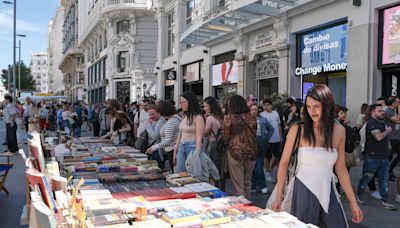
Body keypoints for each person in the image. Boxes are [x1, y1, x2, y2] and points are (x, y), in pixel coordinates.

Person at [271, 84, 363, 227]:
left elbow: (341, 169)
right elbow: (283, 163)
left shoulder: (339, 131)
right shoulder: (297, 129)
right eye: (308, 107)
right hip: (303, 191)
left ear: (327, 106)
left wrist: (353, 203)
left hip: (329, 189)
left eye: (316, 106)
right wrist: (278, 196)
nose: (312, 111)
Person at [357, 104, 397, 210]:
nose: (382, 112)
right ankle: (359, 195)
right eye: (379, 111)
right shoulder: (371, 123)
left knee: (383, 180)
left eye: (382, 111)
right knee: (367, 177)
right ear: (372, 112)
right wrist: (387, 131)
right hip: (372, 157)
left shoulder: (381, 123)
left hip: (383, 157)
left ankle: (385, 202)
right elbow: (378, 137)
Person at [224, 95, 257, 200]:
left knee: (238, 185)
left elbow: (226, 137)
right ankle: (249, 205)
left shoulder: (229, 118)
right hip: (251, 152)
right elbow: (254, 133)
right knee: (247, 182)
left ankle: (243, 209)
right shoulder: (251, 117)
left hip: (235, 152)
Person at [173, 91, 205, 173]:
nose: (181, 105)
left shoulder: (198, 118)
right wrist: (175, 151)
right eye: (180, 102)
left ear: (190, 103)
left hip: (192, 147)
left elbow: (199, 139)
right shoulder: (184, 116)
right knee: (180, 173)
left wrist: (197, 155)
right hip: (181, 146)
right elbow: (180, 135)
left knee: (192, 173)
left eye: (183, 102)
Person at [146, 101, 181, 173]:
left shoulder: (171, 122)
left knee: (174, 171)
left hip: (172, 149)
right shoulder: (176, 119)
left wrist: (153, 147)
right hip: (173, 149)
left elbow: (168, 141)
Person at [250, 104, 274, 194]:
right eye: (252, 109)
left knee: (259, 166)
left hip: (261, 144)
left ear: (258, 110)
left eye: (255, 109)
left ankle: (263, 185)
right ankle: (254, 185)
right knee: (252, 167)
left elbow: (271, 129)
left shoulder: (263, 119)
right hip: (251, 144)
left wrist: (266, 138)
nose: (254, 111)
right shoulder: (247, 120)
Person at [261, 99, 282, 183]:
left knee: (277, 157)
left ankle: (270, 169)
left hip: (276, 139)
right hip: (267, 140)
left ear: (271, 105)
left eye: (267, 105)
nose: (266, 107)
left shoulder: (275, 113)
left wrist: (280, 137)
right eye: (264, 105)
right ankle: (267, 173)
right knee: (267, 157)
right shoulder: (262, 115)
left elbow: (279, 126)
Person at [142, 104, 167, 169]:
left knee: (158, 169)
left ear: (159, 113)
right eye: (149, 114)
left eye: (153, 114)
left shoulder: (161, 121)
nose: (151, 116)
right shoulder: (155, 121)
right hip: (154, 149)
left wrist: (148, 125)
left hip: (158, 150)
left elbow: (154, 136)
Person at [203, 96, 224, 169]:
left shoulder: (209, 118)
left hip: (212, 144)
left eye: (206, 106)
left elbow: (206, 133)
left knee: (211, 165)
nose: (204, 108)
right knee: (218, 164)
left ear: (211, 106)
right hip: (220, 143)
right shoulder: (221, 116)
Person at [383, 96, 400, 181]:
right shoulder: (388, 111)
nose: (398, 104)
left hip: (397, 136)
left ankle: (389, 170)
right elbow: (397, 120)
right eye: (398, 102)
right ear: (393, 103)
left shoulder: (394, 111)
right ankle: (386, 172)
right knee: (389, 156)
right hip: (391, 137)